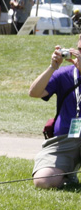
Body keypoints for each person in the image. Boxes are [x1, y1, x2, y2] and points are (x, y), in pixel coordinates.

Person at [29, 34, 81, 188]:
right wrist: (52, 67)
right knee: (42, 181)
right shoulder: (65, 74)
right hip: (65, 139)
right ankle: (67, 174)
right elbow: (34, 93)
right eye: (79, 49)